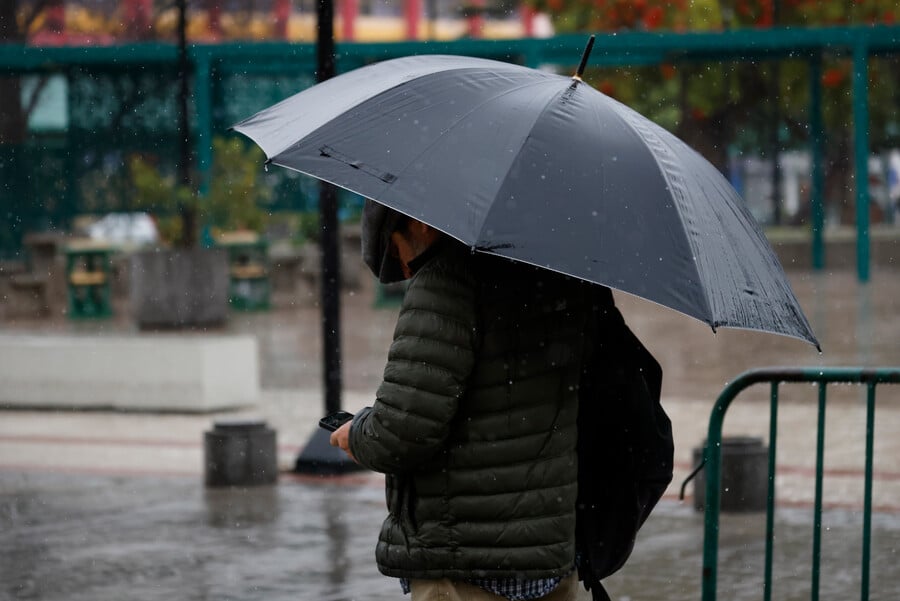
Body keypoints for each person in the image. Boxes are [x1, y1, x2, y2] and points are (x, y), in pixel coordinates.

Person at [331, 200, 613, 601]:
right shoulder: (562, 273)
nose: (405, 268)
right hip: (549, 559)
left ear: (419, 223)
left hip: (465, 566)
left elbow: (402, 432)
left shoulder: (447, 279)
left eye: (395, 248)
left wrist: (357, 434)